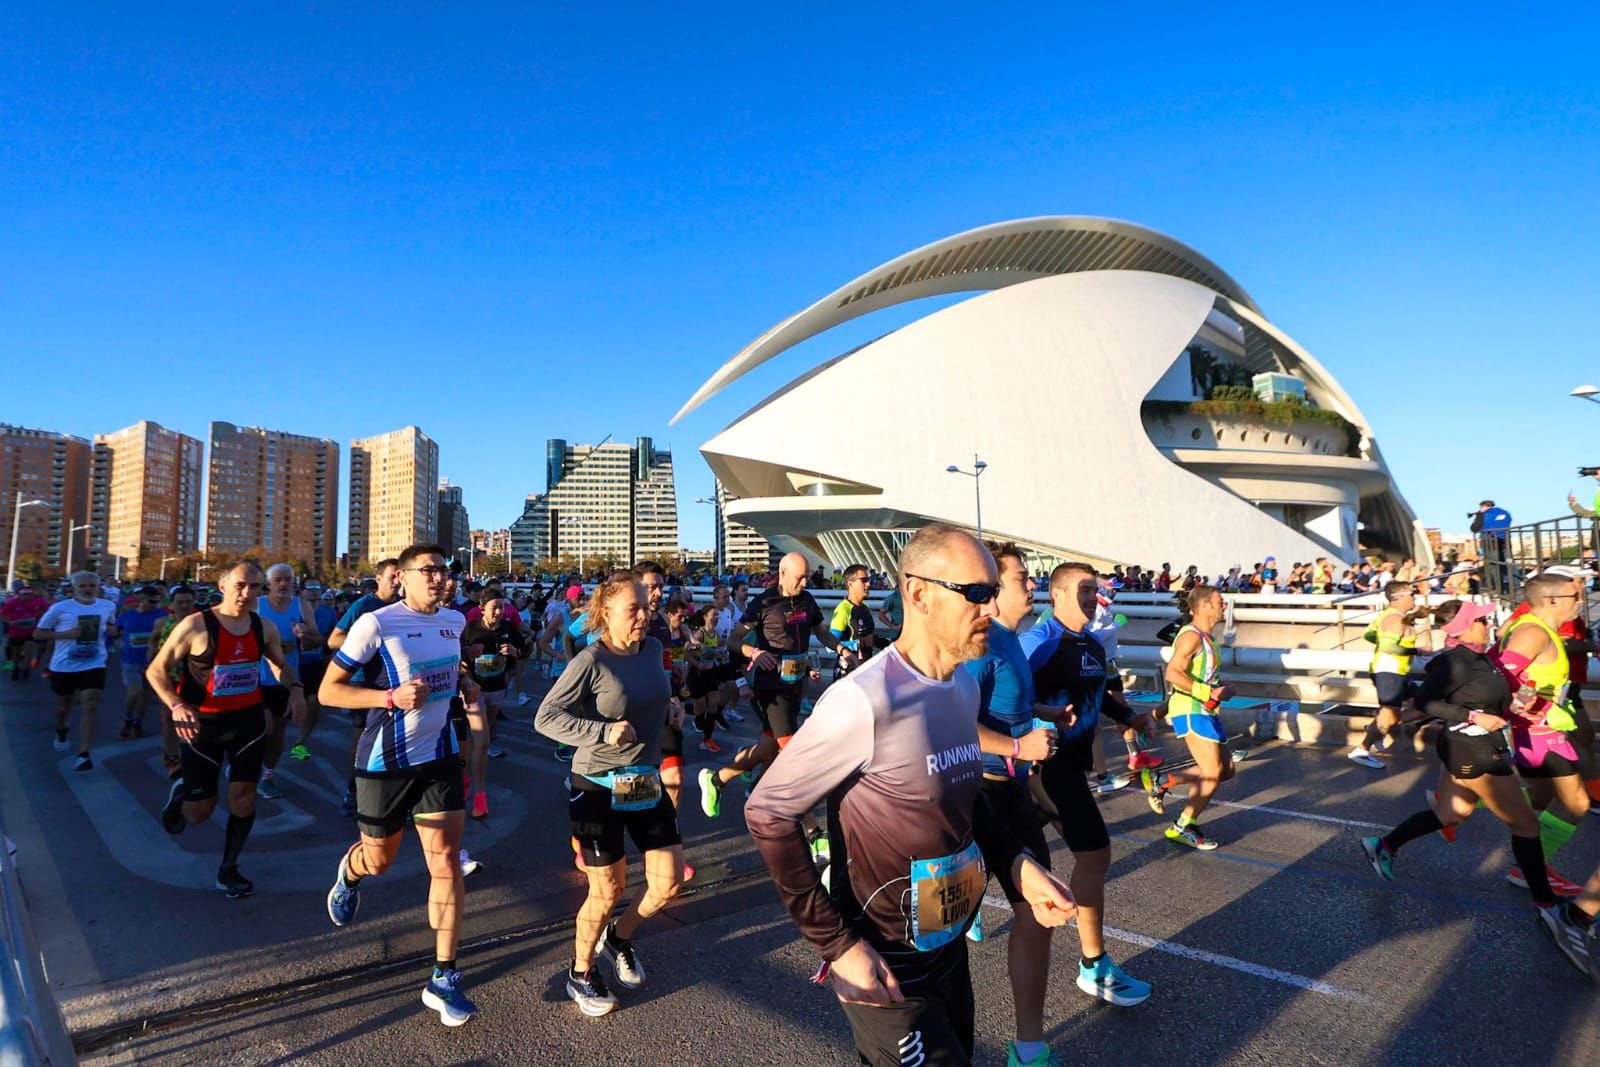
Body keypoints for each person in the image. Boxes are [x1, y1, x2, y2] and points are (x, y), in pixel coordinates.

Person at [745, 524, 1077, 1067]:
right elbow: (767, 812)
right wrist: (837, 946)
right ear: (918, 593)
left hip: (945, 952)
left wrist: (1016, 864)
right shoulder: (863, 700)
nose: (990, 609)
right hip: (885, 965)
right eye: (975, 593)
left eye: (992, 592)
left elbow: (963, 803)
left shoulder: (962, 686)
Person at [1358, 600, 1584, 951]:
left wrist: (1515, 706)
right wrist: (1475, 717)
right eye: (1480, 618)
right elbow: (1424, 704)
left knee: (1453, 813)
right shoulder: (1453, 662)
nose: (1487, 621)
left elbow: (1490, 698)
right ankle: (1547, 906)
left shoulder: (1483, 657)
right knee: (1526, 826)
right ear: (1462, 627)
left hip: (1477, 744)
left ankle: (1384, 845)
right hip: (1473, 749)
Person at [319, 544, 481, 1027]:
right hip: (385, 761)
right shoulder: (377, 622)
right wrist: (388, 696)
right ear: (403, 577)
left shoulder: (454, 621)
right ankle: (350, 873)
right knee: (380, 861)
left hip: (440, 755)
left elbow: (446, 670)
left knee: (447, 863)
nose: (439, 578)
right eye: (428, 571)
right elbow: (329, 691)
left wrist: (464, 684)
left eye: (443, 570)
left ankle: (444, 975)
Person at [535, 572, 687, 1017]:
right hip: (598, 784)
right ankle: (580, 973)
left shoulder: (655, 649)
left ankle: (618, 938)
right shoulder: (591, 660)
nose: (643, 616)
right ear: (606, 613)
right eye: (633, 609)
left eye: (646, 607)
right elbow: (546, 718)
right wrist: (603, 730)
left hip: (643, 779)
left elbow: (655, 690)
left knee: (668, 883)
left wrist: (671, 705)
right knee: (606, 890)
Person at [1018, 560, 1153, 1012]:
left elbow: (1102, 696)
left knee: (1004, 851)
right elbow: (1003, 697)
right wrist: (1030, 732)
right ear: (1055, 594)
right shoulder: (1038, 643)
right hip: (1046, 767)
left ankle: (971, 905)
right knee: (1094, 854)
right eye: (1083, 588)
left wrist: (1130, 717)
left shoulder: (1093, 643)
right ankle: (1093, 965)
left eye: (1095, 589)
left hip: (1072, 766)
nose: (1093, 596)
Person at [961, 541, 1068, 1064]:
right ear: (994, 591)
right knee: (939, 929)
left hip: (1014, 791)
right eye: (1023, 578)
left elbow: (1010, 708)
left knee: (1038, 910)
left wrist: (1046, 712)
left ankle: (1029, 1047)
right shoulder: (980, 646)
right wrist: (1017, 746)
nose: (1032, 585)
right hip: (977, 794)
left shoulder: (1010, 640)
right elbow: (954, 722)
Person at [146, 561, 305, 897]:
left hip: (247, 721)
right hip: (202, 726)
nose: (247, 593)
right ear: (223, 586)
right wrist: (177, 705)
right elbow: (156, 671)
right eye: (241, 586)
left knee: (243, 798)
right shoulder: (195, 626)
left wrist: (295, 689)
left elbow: (280, 665)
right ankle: (182, 792)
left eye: (255, 587)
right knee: (198, 813)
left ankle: (228, 869)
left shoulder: (263, 628)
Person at [698, 552, 857, 820]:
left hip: (795, 686)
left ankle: (717, 779)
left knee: (769, 748)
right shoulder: (764, 603)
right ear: (782, 573)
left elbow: (820, 631)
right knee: (793, 753)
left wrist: (841, 649)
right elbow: (734, 641)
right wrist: (754, 652)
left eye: (806, 576)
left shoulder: (807, 599)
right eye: (800, 577)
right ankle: (813, 831)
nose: (805, 582)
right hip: (770, 688)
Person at [1496, 573, 1590, 895]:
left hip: (1535, 731)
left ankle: (1479, 798)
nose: (1580, 602)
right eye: (1573, 597)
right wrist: (1533, 704)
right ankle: (1530, 869)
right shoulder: (1533, 632)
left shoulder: (1540, 629)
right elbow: (1502, 675)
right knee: (1575, 803)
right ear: (1550, 601)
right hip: (1541, 732)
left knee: (1540, 798)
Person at [1144, 585, 1236, 849]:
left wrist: (1221, 689)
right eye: (1220, 602)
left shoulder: (1208, 639)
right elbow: (1173, 673)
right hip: (1191, 710)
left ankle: (1161, 781)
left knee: (1226, 770)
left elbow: (1202, 678)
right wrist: (1210, 692)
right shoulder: (1191, 637)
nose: (1223, 606)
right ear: (1204, 605)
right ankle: (1183, 826)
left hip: (1204, 709)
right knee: (1212, 772)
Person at [326, 559, 402, 817]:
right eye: (392, 576)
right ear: (378, 579)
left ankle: (395, 793)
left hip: (393, 681)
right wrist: (368, 642)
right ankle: (353, 790)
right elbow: (333, 639)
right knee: (363, 739)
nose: (397, 582)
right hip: (362, 682)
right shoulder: (363, 606)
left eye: (400, 576)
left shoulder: (403, 607)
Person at [34, 572, 120, 770]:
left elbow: (111, 624)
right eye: (83, 586)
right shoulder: (60, 608)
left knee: (91, 703)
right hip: (64, 665)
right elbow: (38, 633)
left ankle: (84, 753)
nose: (88, 589)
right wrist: (65, 634)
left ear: (99, 587)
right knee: (64, 707)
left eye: (92, 585)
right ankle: (62, 727)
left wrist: (112, 631)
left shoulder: (107, 606)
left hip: (95, 662)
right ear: (74, 588)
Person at [461, 590, 530, 818]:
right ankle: (479, 796)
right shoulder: (471, 629)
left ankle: (467, 776)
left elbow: (523, 651)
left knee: (484, 736)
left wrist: (514, 651)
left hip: (497, 688)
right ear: (482, 609)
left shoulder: (508, 630)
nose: (499, 612)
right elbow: (457, 657)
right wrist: (467, 658)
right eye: (495, 607)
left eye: (502, 607)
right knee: (481, 738)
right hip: (474, 688)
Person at [1350, 583, 1425, 768]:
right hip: (1390, 672)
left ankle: (1379, 724)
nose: (1414, 598)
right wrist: (1418, 650)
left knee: (1423, 705)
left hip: (1397, 672)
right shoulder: (1394, 619)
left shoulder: (1387, 616)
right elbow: (1389, 647)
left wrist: (1381, 637)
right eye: (1412, 594)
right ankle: (1362, 749)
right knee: (1390, 714)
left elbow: (1368, 634)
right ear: (1398, 596)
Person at [256, 563, 311, 801]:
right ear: (268, 583)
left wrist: (306, 634)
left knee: (277, 733)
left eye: (287, 579)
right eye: (278, 579)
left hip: (287, 680)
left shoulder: (301, 606)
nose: (283, 584)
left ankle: (267, 776)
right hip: (256, 677)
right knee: (264, 729)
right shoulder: (256, 605)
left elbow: (319, 640)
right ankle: (247, 766)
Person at [150, 584, 198, 773]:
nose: (185, 606)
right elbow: (153, 638)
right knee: (169, 718)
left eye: (188, 602)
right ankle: (171, 755)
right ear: (172, 604)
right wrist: (151, 651)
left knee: (192, 717)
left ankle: (190, 753)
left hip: (193, 676)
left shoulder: (200, 621)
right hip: (169, 676)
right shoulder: (163, 622)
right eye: (180, 602)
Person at [290, 584, 337, 761]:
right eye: (310, 587)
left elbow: (332, 639)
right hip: (290, 664)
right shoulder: (290, 609)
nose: (314, 590)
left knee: (314, 702)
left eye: (318, 587)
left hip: (314, 663)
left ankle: (300, 743)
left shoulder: (327, 612)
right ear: (302, 591)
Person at [115, 585, 167, 738]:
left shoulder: (161, 615)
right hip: (130, 661)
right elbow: (114, 631)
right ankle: (127, 719)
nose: (155, 605)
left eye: (157, 601)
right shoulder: (128, 615)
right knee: (135, 692)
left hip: (153, 662)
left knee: (147, 696)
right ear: (141, 600)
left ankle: (138, 723)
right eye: (151, 601)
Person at [828, 563, 877, 677]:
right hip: (847, 674)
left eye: (868, 580)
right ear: (850, 584)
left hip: (864, 671)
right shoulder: (843, 610)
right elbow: (829, 646)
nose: (868, 584)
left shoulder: (865, 607)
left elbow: (869, 639)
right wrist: (857, 644)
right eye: (864, 580)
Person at [3, 580, 50, 681]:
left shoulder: (37, 601)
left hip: (30, 631)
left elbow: (47, 610)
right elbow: (2, 614)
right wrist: (10, 622)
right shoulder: (12, 602)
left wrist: (39, 615)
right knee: (16, 652)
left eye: (28, 594)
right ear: (19, 594)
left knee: (28, 650)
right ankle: (15, 667)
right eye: (23, 594)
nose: (26, 597)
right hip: (15, 631)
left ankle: (26, 669)